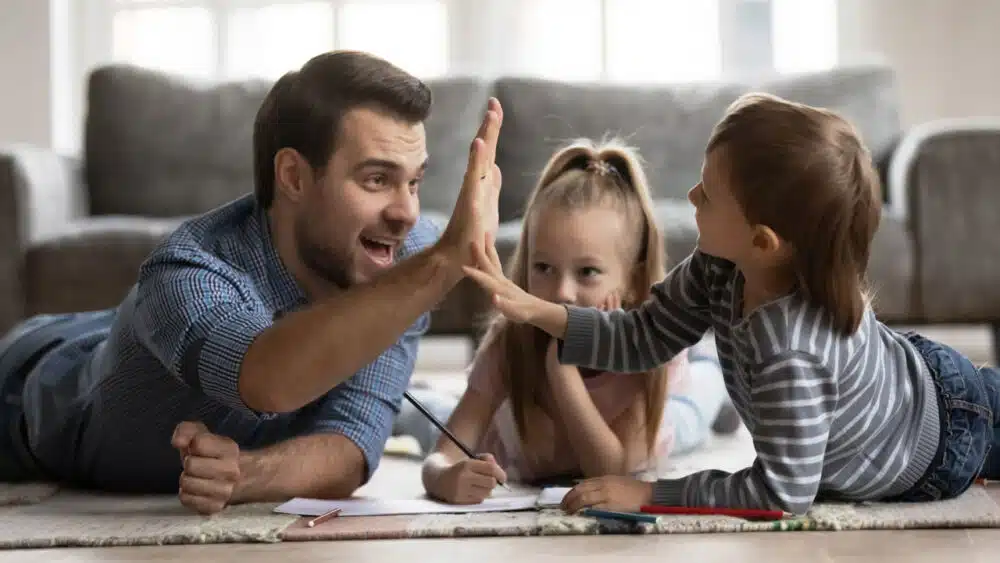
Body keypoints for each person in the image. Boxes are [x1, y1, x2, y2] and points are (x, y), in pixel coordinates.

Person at [0, 50, 506, 515]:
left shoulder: (409, 258)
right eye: (376, 179)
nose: (406, 212)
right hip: (32, 388)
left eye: (414, 181)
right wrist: (441, 268)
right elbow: (266, 380)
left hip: (143, 340)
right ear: (292, 176)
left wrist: (245, 474)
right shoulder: (184, 273)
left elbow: (353, 444)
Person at [462, 92, 1000, 516]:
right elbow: (641, 335)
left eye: (708, 194)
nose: (691, 197)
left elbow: (780, 494)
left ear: (763, 240)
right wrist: (535, 310)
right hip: (922, 373)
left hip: (941, 445)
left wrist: (649, 496)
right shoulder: (721, 266)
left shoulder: (789, 352)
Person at [407, 138, 735, 505]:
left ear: (631, 278)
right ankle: (407, 401)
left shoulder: (651, 348)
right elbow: (442, 456)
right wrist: (445, 476)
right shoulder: (510, 342)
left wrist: (562, 373)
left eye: (588, 272)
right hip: (509, 444)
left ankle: (714, 369)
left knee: (694, 412)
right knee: (429, 415)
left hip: (660, 422)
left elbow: (610, 472)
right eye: (543, 267)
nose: (562, 292)